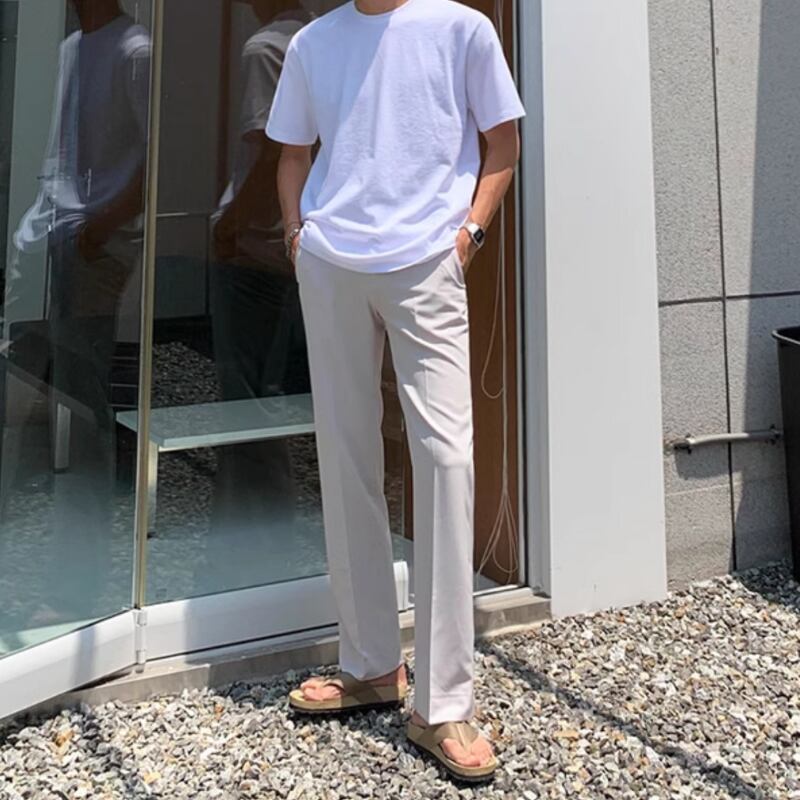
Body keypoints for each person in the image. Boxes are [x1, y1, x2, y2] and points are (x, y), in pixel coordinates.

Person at [266, 0, 524, 782]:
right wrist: (296, 234)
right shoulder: (314, 41)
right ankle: (371, 663)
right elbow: (291, 153)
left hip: (427, 259)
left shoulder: (461, 28)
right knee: (345, 454)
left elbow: (503, 142)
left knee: (445, 460)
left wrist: (469, 234)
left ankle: (444, 703)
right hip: (331, 261)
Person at [7, 0, 150, 624]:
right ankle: (44, 571)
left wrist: (102, 228)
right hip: (52, 240)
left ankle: (78, 592)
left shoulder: (135, 50)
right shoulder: (73, 47)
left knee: (83, 403)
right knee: (38, 389)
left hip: (93, 247)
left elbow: (155, 155)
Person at [202, 0, 313, 592]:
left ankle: (257, 550)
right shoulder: (316, 37)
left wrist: (232, 225)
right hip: (290, 248)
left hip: (256, 247)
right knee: (265, 390)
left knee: (246, 397)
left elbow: (274, 150)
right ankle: (246, 540)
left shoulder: (266, 47)